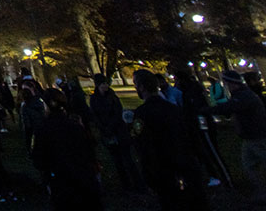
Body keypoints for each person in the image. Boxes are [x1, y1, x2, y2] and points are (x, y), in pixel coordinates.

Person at [131, 68, 207, 210]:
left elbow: (143, 147)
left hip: (164, 171)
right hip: (186, 165)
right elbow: (192, 136)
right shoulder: (174, 110)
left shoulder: (142, 114)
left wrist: (148, 175)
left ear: (141, 87)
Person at [31, 88, 101, 210]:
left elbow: (39, 160)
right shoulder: (75, 125)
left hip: (62, 182)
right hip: (85, 179)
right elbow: (90, 148)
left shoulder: (43, 130)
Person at [214, 69, 266, 203]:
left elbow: (227, 108)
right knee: (248, 165)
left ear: (232, 83)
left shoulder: (243, 96)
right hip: (250, 137)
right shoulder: (243, 95)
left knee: (251, 164)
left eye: (227, 83)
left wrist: (204, 110)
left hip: (257, 136)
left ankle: (261, 191)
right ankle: (261, 190)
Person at [89, 73, 143, 191]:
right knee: (117, 161)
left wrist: (111, 126)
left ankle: (137, 183)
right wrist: (104, 128)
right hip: (107, 131)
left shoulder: (112, 97)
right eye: (102, 84)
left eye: (106, 83)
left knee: (128, 159)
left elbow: (118, 112)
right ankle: (126, 184)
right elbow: (94, 115)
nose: (105, 86)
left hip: (118, 130)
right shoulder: (94, 99)